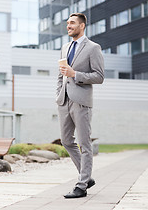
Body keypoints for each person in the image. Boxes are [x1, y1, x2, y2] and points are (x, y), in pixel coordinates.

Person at [56, 13, 104, 198]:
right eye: (68, 23)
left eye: (72, 23)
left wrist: (75, 74)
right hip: (64, 101)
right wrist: (58, 94)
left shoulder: (93, 48)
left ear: (82, 26)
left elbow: (99, 76)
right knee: (67, 141)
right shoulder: (65, 47)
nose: (68, 26)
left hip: (82, 101)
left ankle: (82, 185)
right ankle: (87, 177)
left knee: (84, 143)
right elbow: (60, 74)